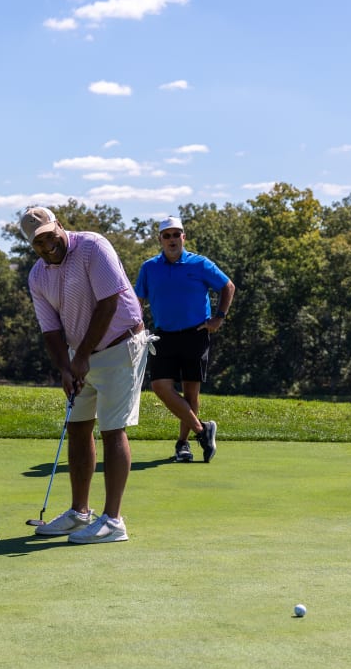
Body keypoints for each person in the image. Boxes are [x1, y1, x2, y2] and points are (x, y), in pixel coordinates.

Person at [21, 206, 152, 544]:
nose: (47, 246)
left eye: (50, 237)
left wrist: (80, 357)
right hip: (80, 354)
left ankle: (113, 520)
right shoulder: (38, 276)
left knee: (111, 429)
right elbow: (50, 330)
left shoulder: (93, 247)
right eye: (38, 243)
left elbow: (108, 304)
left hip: (121, 345)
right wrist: (65, 369)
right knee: (78, 427)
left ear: (59, 226)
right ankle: (80, 513)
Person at [134, 216, 234, 463]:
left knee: (191, 394)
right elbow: (138, 300)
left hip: (195, 334)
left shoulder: (199, 264)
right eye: (166, 235)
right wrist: (136, 326)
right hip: (163, 336)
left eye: (175, 234)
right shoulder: (149, 267)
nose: (171, 240)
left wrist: (218, 318)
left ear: (183, 237)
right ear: (160, 239)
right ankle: (203, 430)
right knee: (160, 386)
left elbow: (227, 286)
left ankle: (183, 444)